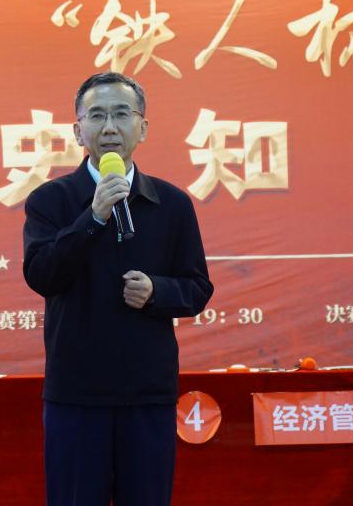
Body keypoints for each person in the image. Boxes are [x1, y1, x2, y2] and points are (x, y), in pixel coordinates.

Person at [22, 72, 214, 505]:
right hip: (76, 394)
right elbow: (42, 275)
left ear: (142, 128)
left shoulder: (172, 204)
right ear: (78, 132)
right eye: (97, 116)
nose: (109, 127)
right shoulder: (50, 201)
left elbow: (197, 287)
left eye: (121, 114)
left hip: (147, 394)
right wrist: (92, 218)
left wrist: (157, 292)